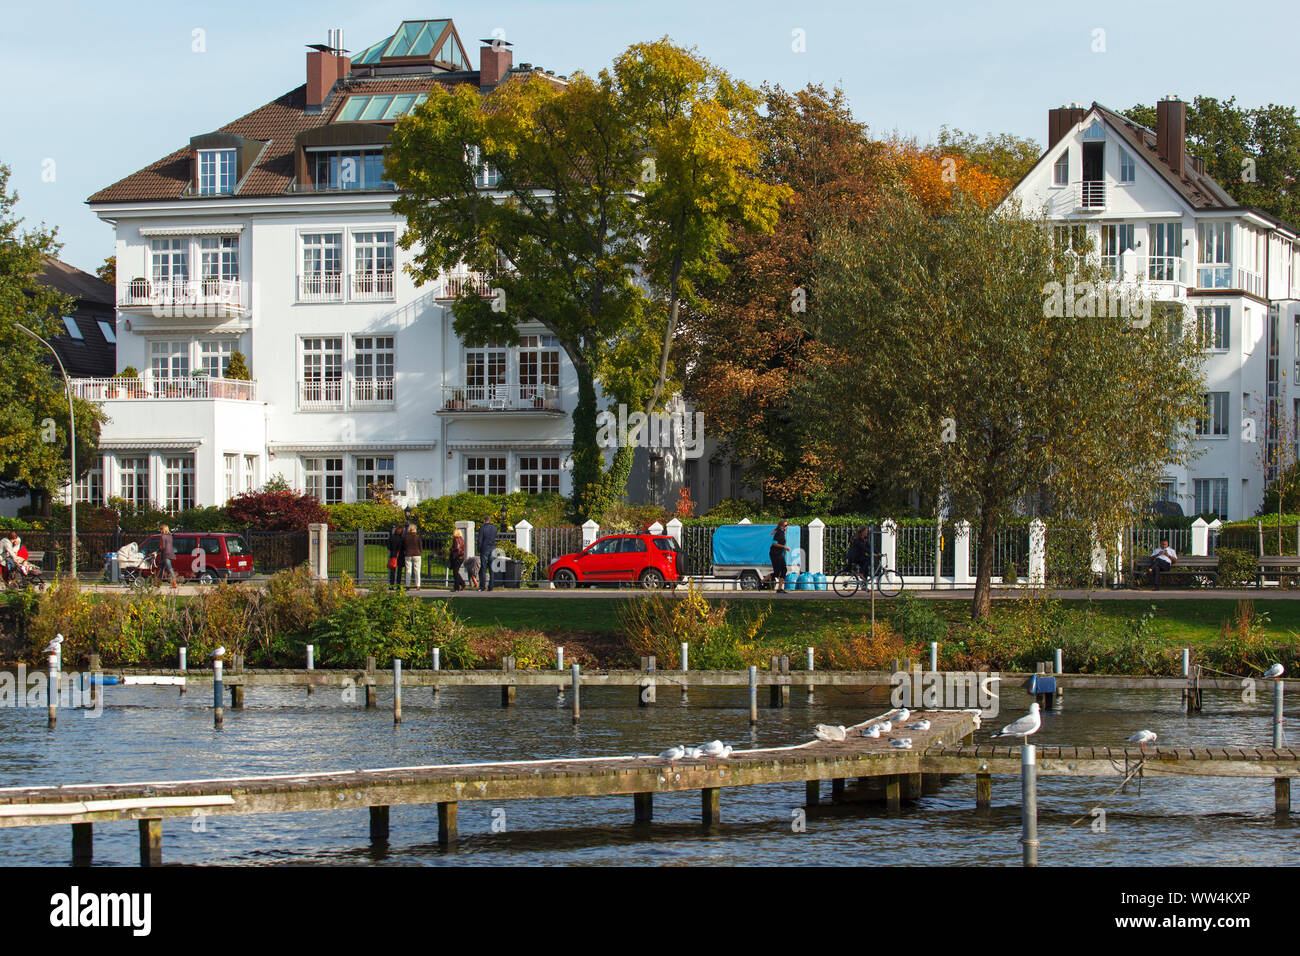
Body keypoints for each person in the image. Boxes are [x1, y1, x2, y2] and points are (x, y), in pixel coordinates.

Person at [769, 519, 791, 592]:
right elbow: (774, 543)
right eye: (785, 525)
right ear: (781, 526)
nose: (786, 527)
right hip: (775, 554)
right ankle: (779, 588)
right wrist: (784, 547)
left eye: (787, 525)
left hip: (778, 554)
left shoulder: (782, 532)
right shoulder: (780, 532)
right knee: (780, 571)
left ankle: (779, 588)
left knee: (780, 571)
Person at [477, 517, 498, 591]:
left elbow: (480, 540)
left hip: (484, 549)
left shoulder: (482, 528)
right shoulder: (495, 528)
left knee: (483, 568)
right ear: (490, 520)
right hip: (492, 548)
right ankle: (491, 586)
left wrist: (479, 549)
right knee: (492, 568)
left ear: (484, 520)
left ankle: (482, 586)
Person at [402, 522, 423, 590]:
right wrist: (420, 551)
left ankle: (408, 585)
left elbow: (404, 546)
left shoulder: (406, 537)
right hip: (417, 554)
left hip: (408, 554)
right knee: (417, 570)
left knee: (408, 570)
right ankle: (418, 585)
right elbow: (420, 546)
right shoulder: (417, 537)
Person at [158, 524, 178, 588]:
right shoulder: (170, 536)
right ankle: (158, 583)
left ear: (163, 530)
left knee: (169, 568)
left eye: (161, 529)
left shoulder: (162, 536)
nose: (160, 531)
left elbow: (162, 547)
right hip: (170, 553)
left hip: (165, 554)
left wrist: (157, 551)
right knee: (162, 568)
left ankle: (174, 583)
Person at [386, 523, 404, 588]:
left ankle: (391, 585)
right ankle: (398, 585)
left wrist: (392, 550)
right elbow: (403, 547)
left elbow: (388, 546)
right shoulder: (401, 538)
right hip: (400, 555)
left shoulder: (391, 537)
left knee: (392, 571)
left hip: (393, 555)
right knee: (399, 571)